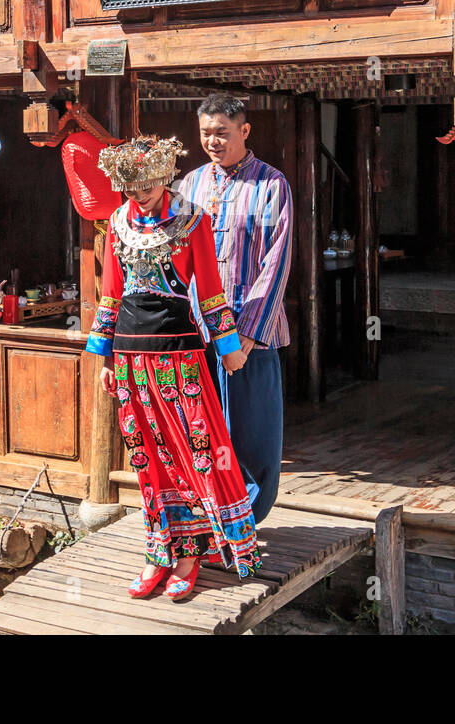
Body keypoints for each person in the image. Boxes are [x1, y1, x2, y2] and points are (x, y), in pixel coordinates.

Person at [85, 135, 261, 601]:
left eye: (146, 183)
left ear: (164, 176)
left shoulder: (192, 221)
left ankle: (192, 554)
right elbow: (110, 294)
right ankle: (157, 549)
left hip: (180, 355)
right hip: (130, 358)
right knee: (147, 456)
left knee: (192, 451)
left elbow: (211, 293)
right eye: (130, 186)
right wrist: (105, 358)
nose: (138, 193)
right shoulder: (117, 221)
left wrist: (229, 349)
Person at [177, 94, 292, 523]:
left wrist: (243, 337)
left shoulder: (271, 184)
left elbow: (276, 264)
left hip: (251, 338)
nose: (213, 141)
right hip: (198, 335)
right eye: (206, 133)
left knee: (252, 435)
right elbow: (176, 257)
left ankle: (247, 519)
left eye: (222, 133)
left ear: (244, 131)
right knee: (202, 432)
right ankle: (208, 518)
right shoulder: (188, 186)